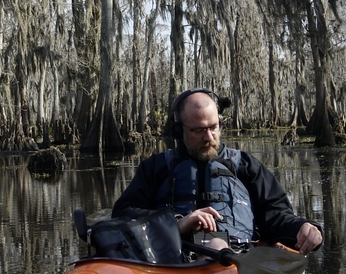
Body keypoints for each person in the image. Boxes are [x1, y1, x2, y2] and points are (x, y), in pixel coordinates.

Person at [112, 88, 323, 256]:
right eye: (198, 130)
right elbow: (124, 213)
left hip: (233, 254)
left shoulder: (245, 166)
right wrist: (176, 223)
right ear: (178, 130)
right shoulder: (155, 167)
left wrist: (302, 227)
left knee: (215, 245)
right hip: (170, 255)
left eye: (213, 127)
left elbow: (274, 214)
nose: (209, 137)